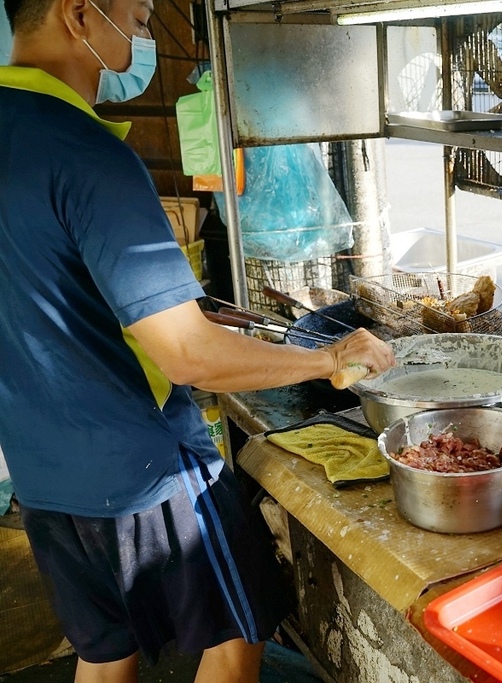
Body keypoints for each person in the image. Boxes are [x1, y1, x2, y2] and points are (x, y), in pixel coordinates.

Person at [0, 0, 396, 680]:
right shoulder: (87, 152)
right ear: (79, 14)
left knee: (103, 656)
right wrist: (329, 357)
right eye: (143, 18)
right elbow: (191, 357)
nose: (146, 36)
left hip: (40, 473)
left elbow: (42, 288)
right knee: (241, 629)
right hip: (145, 471)